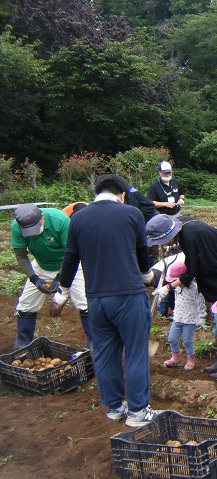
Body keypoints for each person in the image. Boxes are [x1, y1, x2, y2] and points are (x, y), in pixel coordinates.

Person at [58, 174, 159, 428]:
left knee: (104, 353)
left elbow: (70, 258)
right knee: (135, 352)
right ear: (122, 194)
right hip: (128, 295)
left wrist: (62, 290)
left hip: (96, 299)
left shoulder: (78, 218)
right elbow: (141, 250)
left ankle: (114, 407)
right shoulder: (131, 214)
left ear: (97, 192)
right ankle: (137, 412)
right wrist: (147, 275)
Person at [145, 213, 217, 379]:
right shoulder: (184, 225)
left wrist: (168, 287)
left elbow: (190, 273)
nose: (162, 246)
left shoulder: (188, 236)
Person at [11, 204, 91, 350]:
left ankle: (94, 341)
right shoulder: (17, 227)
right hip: (41, 265)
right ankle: (23, 341)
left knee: (84, 302)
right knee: (26, 304)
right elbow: (21, 256)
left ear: (42, 217)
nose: (33, 233)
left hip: (68, 264)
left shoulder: (60, 220)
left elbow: (71, 253)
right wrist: (35, 279)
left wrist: (60, 278)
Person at [158, 261, 206, 371]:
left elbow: (200, 302)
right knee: (171, 338)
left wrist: (201, 317)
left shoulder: (194, 288)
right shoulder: (177, 288)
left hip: (190, 320)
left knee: (187, 340)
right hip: (178, 318)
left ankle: (190, 359)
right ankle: (175, 357)